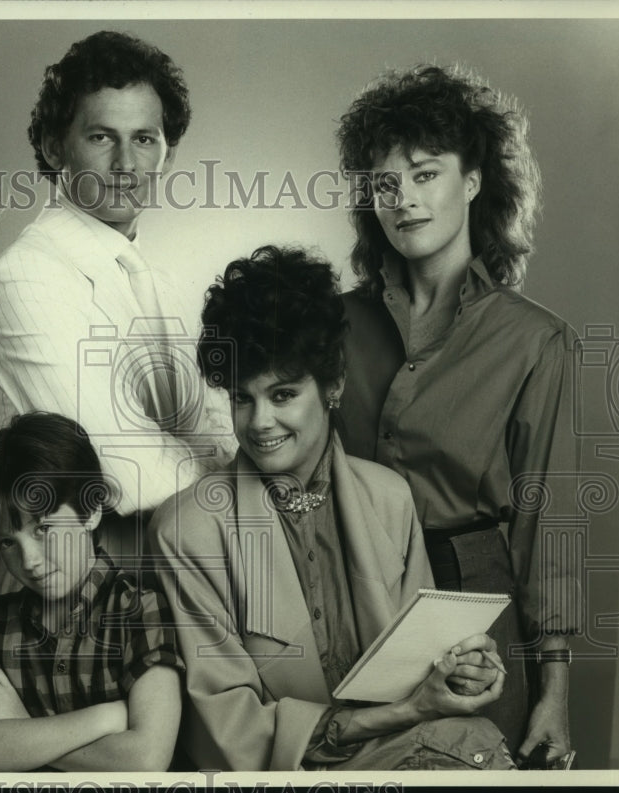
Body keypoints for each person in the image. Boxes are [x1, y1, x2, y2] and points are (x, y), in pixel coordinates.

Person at [148, 245, 516, 771]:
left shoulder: (389, 497)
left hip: (403, 753)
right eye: (241, 398)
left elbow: (425, 672)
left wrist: (464, 672)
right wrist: (403, 711)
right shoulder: (187, 530)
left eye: (282, 394)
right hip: (281, 774)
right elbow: (231, 736)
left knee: (478, 741)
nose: (258, 423)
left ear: (334, 385)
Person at [335, 63, 579, 763]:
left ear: (472, 181)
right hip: (354, 599)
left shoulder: (535, 341)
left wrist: (554, 694)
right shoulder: (332, 326)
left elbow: (548, 525)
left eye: (424, 173)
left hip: (474, 611)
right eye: (385, 181)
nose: (403, 199)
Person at [0, 30, 234, 533]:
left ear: (169, 153)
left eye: (144, 139)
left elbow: (219, 432)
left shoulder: (159, 281)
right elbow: (125, 475)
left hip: (190, 571)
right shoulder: (26, 279)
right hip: (92, 593)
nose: (125, 165)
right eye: (101, 137)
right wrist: (237, 485)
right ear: (55, 148)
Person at [0, 412, 183, 771]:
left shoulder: (139, 607)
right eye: (7, 543)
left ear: (91, 510)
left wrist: (24, 732)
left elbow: (146, 759)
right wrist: (105, 719)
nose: (29, 561)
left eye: (43, 529)